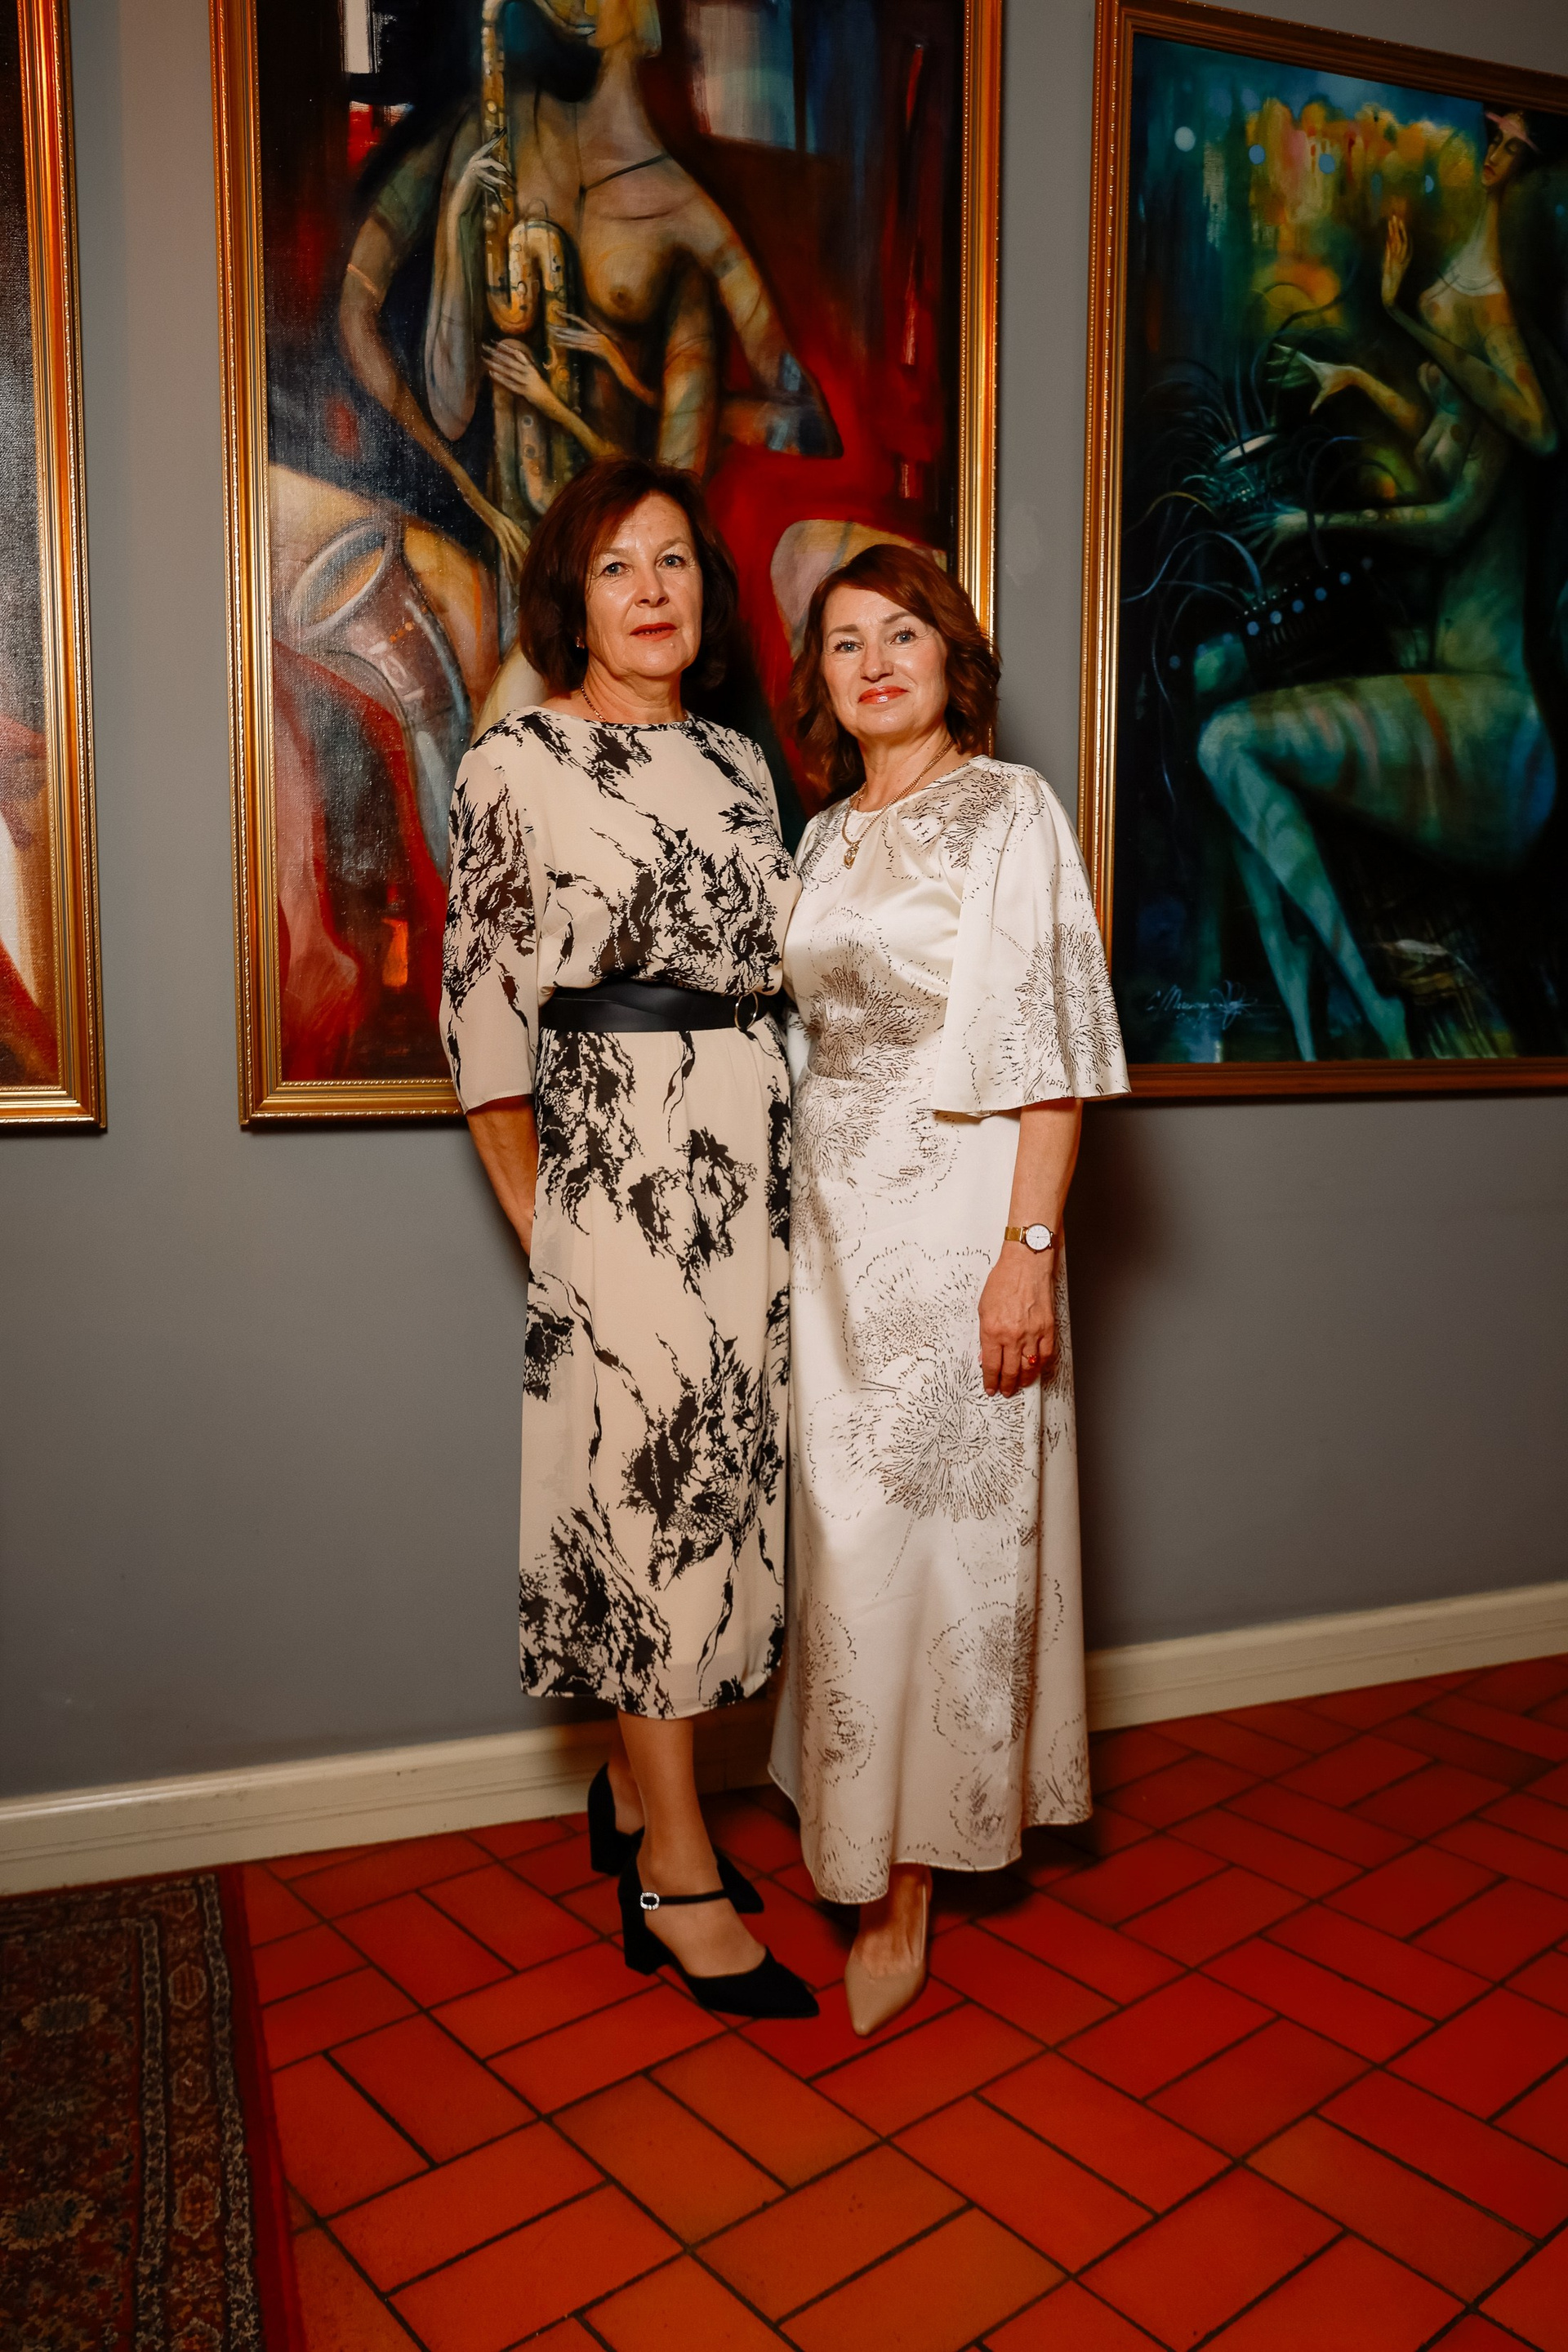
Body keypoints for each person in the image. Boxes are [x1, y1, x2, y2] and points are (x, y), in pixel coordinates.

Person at [439, 453, 814, 2019]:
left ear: (706, 593)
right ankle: (675, 1874)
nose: (652, 590)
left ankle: (626, 1789)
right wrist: (555, 1231)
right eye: (616, 566)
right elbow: (484, 1028)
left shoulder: (740, 761)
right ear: (571, 602)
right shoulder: (516, 761)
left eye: (674, 561)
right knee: (654, 1513)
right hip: (626, 1183)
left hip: (757, 1165)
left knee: (723, 1497)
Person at [769, 544, 1129, 2036]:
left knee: (934, 1551)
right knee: (843, 1543)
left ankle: (901, 1882)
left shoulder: (1010, 810)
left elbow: (1052, 1056)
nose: (875, 663)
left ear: (951, 655)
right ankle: (856, 1818)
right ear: (823, 679)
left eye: (901, 633)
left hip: (963, 1223)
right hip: (831, 1237)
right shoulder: (821, 836)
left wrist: (1025, 1255)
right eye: (845, 642)